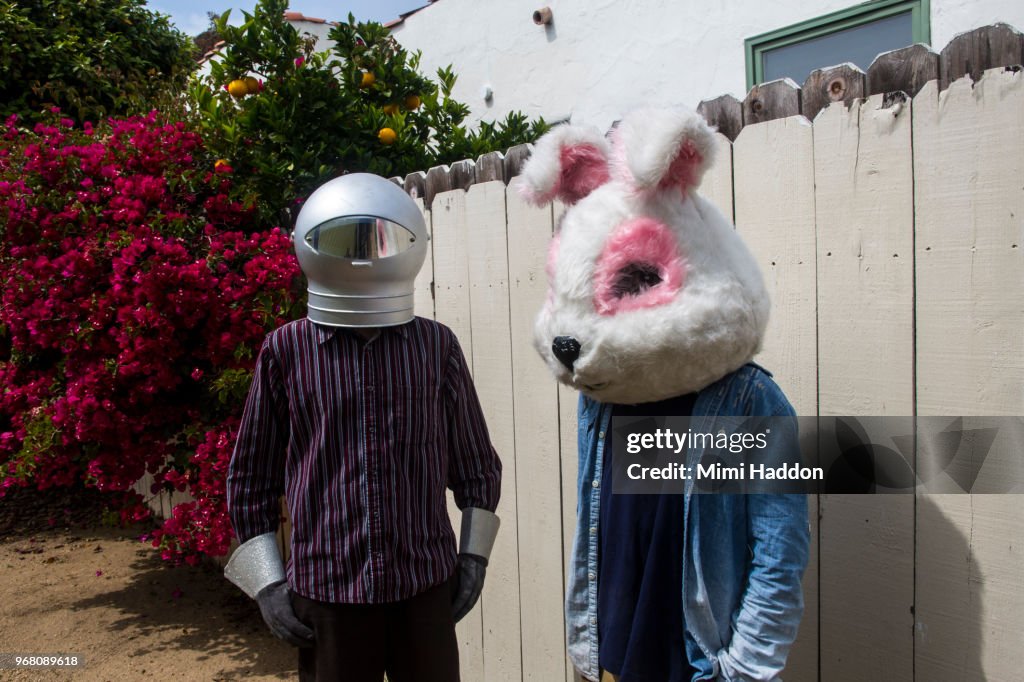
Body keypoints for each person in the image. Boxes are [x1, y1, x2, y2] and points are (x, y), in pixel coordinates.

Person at [520, 108, 810, 682]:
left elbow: (780, 549)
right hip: (608, 656)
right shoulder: (602, 396)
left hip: (699, 663)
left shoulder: (748, 402)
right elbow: (601, 528)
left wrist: (745, 670)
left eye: (634, 282)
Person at [224, 173, 502, 682]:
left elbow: (477, 465)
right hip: (328, 594)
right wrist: (266, 585)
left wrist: (474, 559)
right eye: (344, 239)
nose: (363, 257)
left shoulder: (436, 348)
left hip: (424, 586)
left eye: (378, 240)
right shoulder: (285, 351)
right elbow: (250, 479)